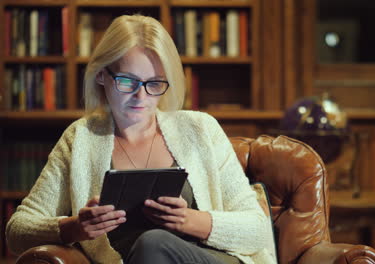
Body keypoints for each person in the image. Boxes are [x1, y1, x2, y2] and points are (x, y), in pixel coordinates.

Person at [6, 14, 276, 264]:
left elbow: (257, 230)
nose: (141, 96)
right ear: (101, 75)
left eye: (154, 83)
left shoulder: (200, 129)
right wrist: (74, 227)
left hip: (209, 258)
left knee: (153, 243)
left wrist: (189, 220)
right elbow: (17, 230)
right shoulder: (80, 139)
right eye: (127, 81)